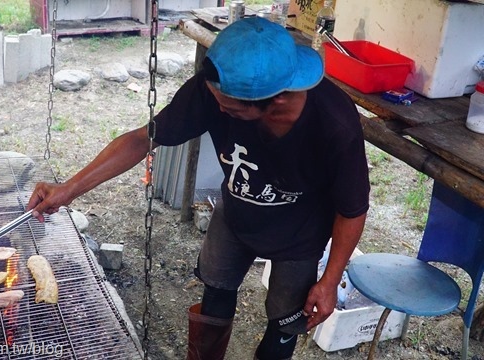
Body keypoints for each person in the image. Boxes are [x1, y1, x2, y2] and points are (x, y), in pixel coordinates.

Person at [27, 18, 370, 360]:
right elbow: (140, 139)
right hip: (236, 213)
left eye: (230, 109)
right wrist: (69, 189)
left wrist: (329, 281)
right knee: (216, 297)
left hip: (300, 234)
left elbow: (352, 210)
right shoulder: (215, 90)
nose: (218, 110)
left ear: (277, 100)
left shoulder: (334, 124)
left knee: (285, 324)